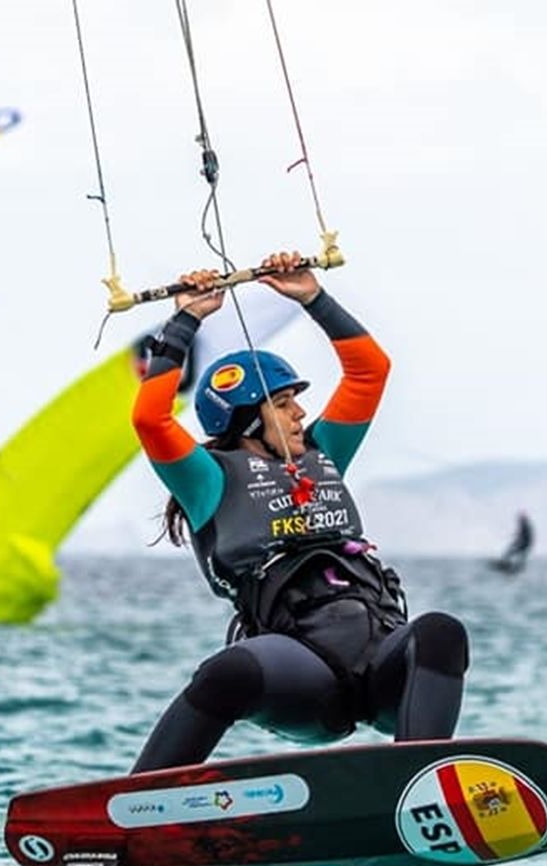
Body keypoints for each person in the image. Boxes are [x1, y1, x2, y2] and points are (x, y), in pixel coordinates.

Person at [129, 250, 470, 773]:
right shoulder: (208, 478)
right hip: (304, 676)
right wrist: (187, 318)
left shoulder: (322, 453)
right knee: (227, 672)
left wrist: (313, 297)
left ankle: (417, 780)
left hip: (383, 661)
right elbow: (150, 419)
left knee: (442, 631)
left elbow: (370, 371)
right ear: (247, 417)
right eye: (283, 402)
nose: (299, 412)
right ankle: (136, 798)